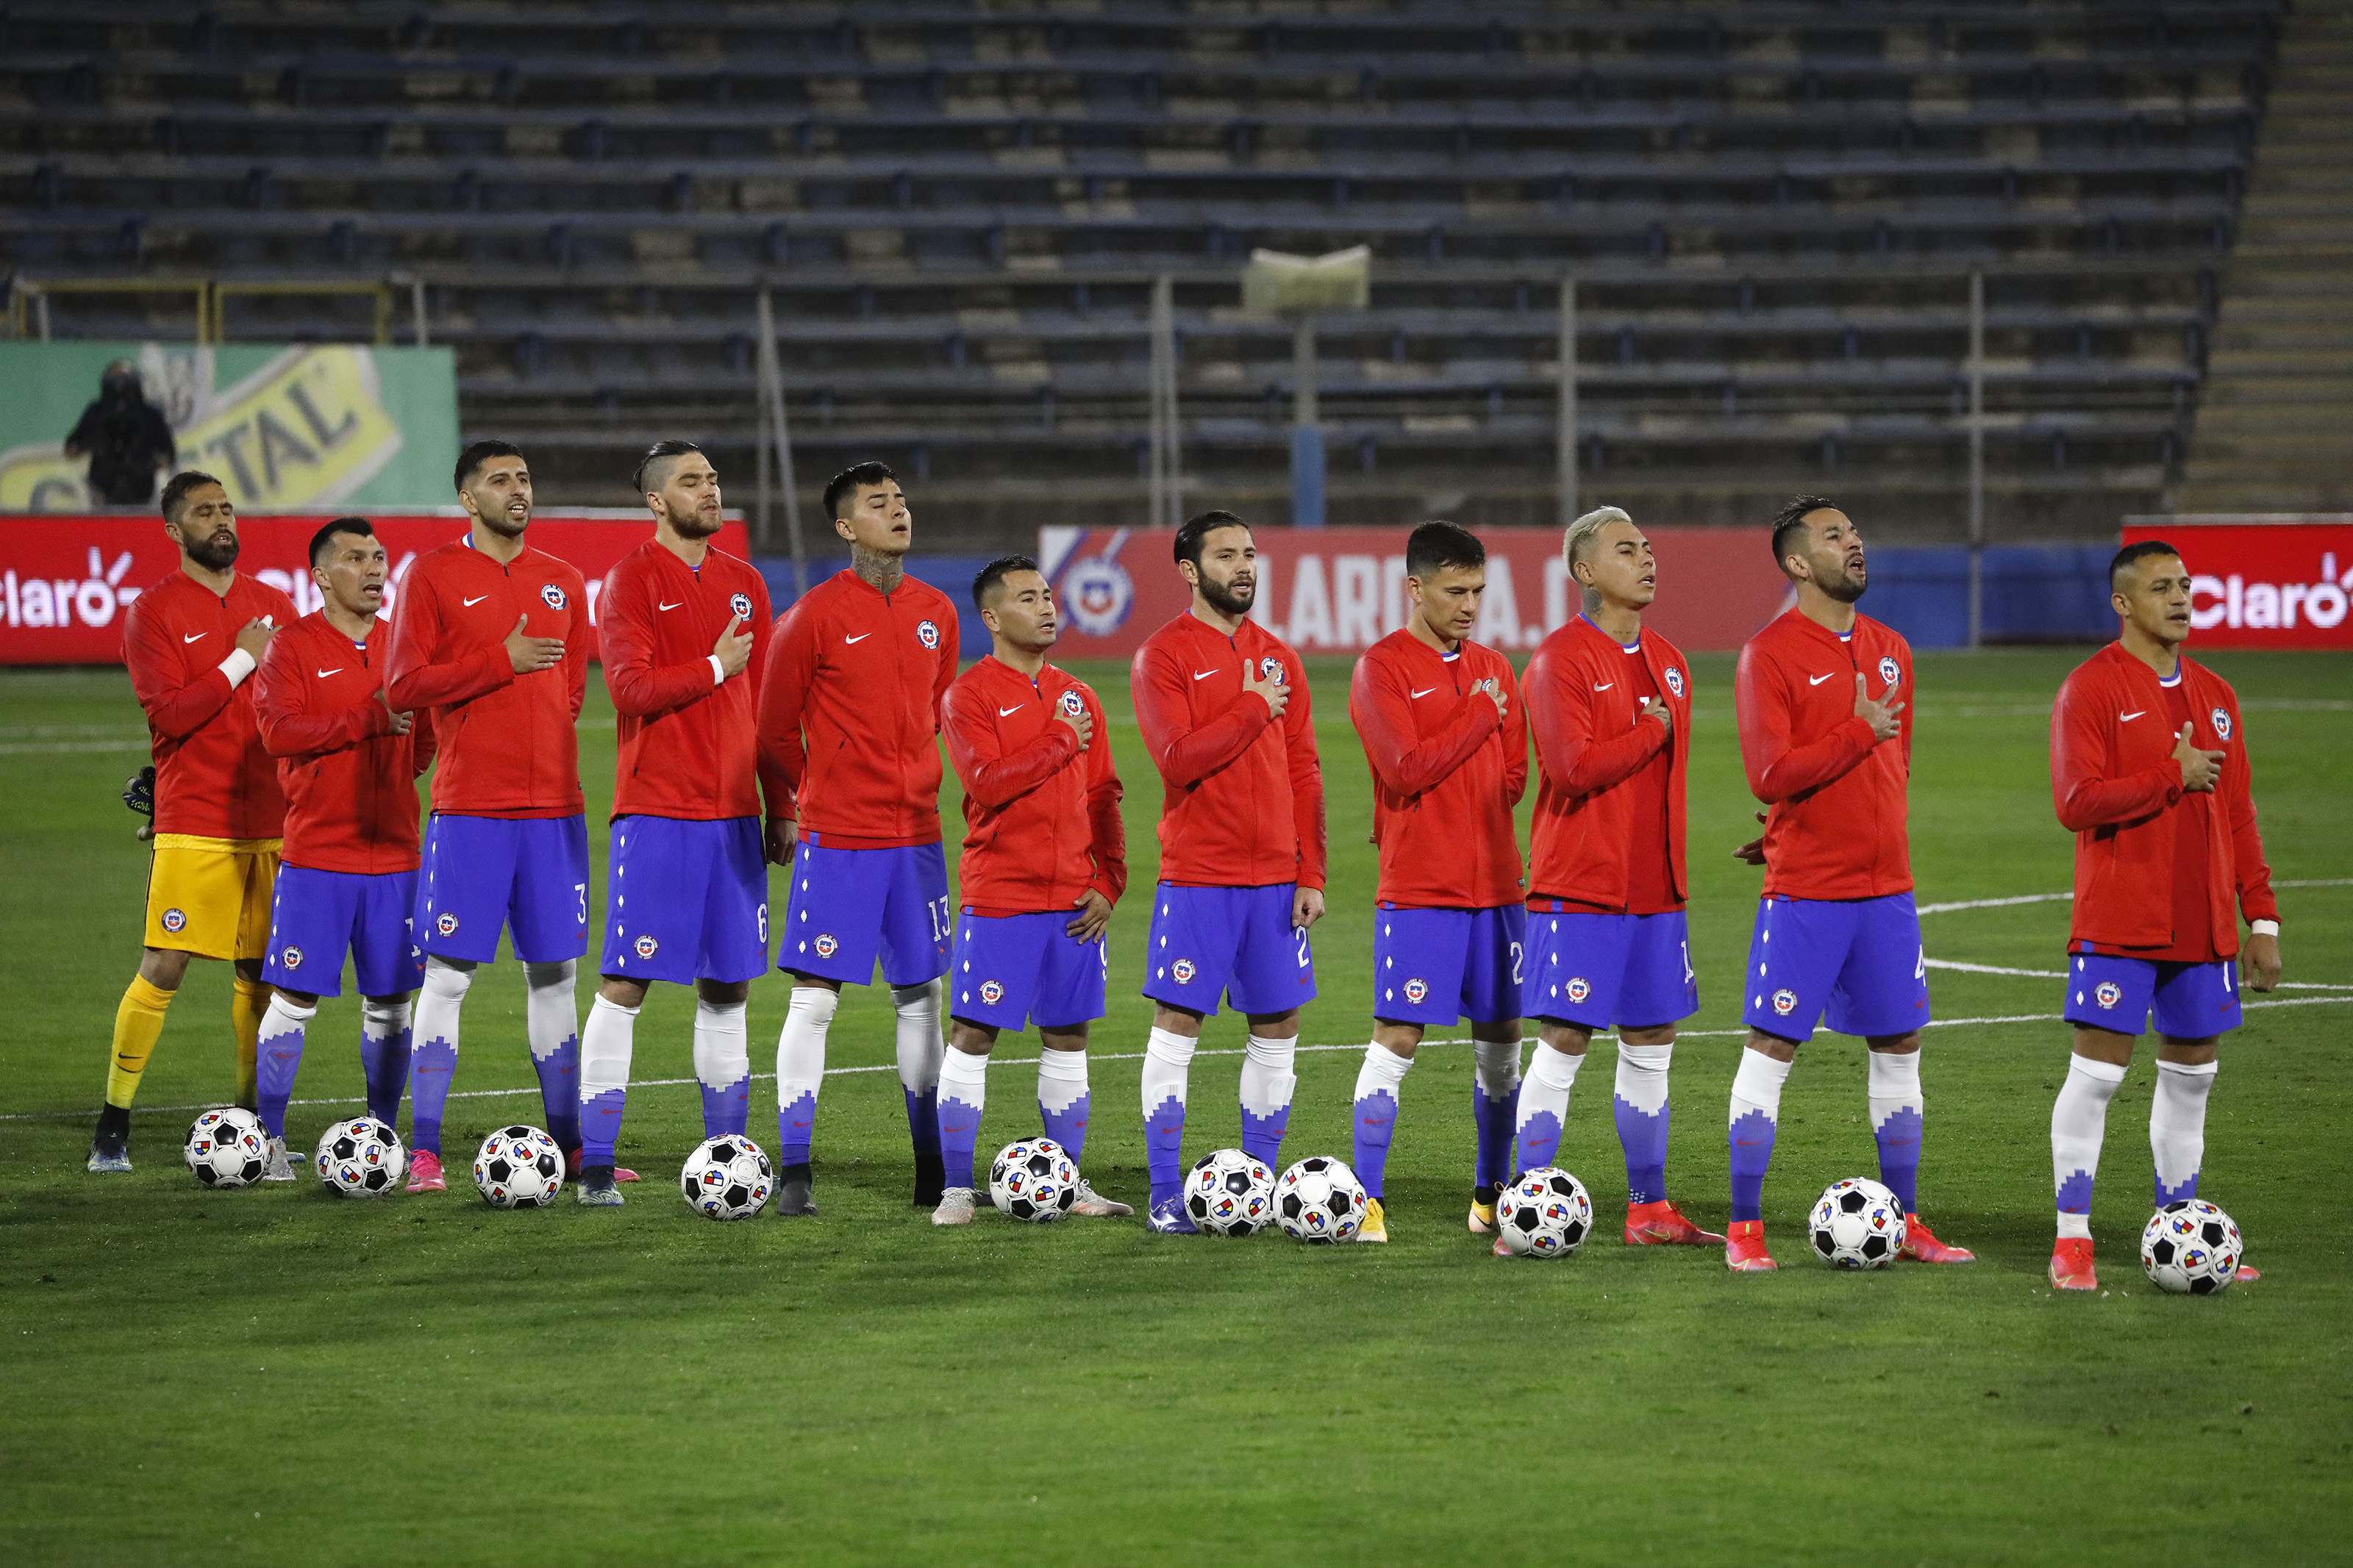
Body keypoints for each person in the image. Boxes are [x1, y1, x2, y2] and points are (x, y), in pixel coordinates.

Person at [1723, 496, 1974, 1272]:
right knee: (1772, 1046)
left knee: (1899, 1045)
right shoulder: (1767, 654)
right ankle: (1742, 1229)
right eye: (1834, 537)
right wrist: (1857, 731)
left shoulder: (1891, 647)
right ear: (1798, 562)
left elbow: (1895, 769)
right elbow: (1768, 773)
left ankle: (1903, 1221)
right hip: (1807, 894)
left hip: (1886, 891)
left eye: (1855, 532)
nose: (1854, 543)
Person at [2044, 540, 2281, 1291]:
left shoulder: (2215, 693)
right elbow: (2073, 802)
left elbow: (2238, 813)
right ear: (2121, 603)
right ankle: (2071, 1241)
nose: (2178, 598)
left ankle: (2179, 1233)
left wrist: (2261, 921)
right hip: (2120, 920)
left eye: (2183, 585)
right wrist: (2166, 778)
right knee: (2096, 1078)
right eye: (2159, 587)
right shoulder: (2089, 689)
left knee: (2190, 1082)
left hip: (2202, 925)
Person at [383, 440, 597, 1193]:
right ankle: (426, 1151)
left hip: (553, 814)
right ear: (468, 500)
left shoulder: (564, 580)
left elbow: (570, 689)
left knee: (555, 977)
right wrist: (499, 663)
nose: (518, 490)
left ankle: (570, 1146)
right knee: (445, 980)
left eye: (525, 478)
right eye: (500, 481)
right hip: (470, 809)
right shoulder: (433, 574)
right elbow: (404, 684)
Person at [1511, 506, 1720, 1253]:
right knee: (1565, 1035)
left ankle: (1648, 1208)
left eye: (1648, 547)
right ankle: (1521, 1210)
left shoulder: (1668, 659)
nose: (1646, 558)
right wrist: (1648, 731)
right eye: (1625, 550)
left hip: (1654, 890)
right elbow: (1568, 771)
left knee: (1651, 1038)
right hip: (1582, 885)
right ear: (1585, 573)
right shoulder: (1559, 659)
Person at [755, 461, 960, 1216]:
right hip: (840, 836)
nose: (898, 511)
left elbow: (941, 715)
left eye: (901, 499)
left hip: (916, 838)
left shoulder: (936, 609)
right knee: (814, 1002)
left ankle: (931, 1171)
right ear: (846, 527)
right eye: (879, 504)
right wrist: (820, 788)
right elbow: (773, 730)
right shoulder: (810, 615)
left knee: (922, 999)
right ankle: (796, 1173)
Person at [574, 442, 774, 1206]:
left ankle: (728, 1154)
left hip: (733, 817)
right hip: (657, 812)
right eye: (692, 482)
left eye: (714, 478)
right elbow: (628, 690)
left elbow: (760, 711)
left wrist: (779, 803)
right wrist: (715, 667)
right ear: (656, 501)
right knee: (627, 983)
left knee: (728, 987)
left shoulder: (745, 582)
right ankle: (595, 1165)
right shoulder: (630, 579)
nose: (710, 490)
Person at [86, 470, 296, 1171]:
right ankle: (113, 1121)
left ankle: (256, 1123)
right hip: (197, 817)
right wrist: (243, 656)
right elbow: (171, 713)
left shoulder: (273, 604)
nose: (221, 520)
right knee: (165, 964)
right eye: (204, 512)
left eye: (227, 508)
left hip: (272, 816)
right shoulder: (153, 612)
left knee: (260, 976)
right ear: (175, 531)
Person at [1129, 510, 1327, 1234]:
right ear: (1189, 570)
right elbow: (1177, 758)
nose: (1244, 566)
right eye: (1225, 555)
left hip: (1276, 880)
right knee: (1177, 1023)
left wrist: (1312, 871)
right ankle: (1160, 1192)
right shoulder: (1163, 657)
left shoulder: (1281, 656)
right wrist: (1249, 706)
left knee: (1278, 1026)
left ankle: (1261, 1184)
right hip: (1199, 877)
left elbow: (1303, 770)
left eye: (1249, 553)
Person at [929, 556, 1130, 1225]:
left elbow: (1104, 794)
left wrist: (1110, 880)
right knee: (973, 1032)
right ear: (992, 618)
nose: (1047, 607)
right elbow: (986, 781)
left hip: (1074, 901)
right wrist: (1055, 740)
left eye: (1048, 595)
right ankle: (957, 1187)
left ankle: (1067, 1184)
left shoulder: (1079, 695)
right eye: (1028, 598)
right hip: (1002, 896)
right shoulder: (969, 696)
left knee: (1068, 1037)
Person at [1345, 521, 1527, 1246]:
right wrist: (1479, 715)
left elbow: (1513, 778)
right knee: (1399, 1035)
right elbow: (1404, 769)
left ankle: (1489, 1195)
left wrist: (1479, 737)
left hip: (1496, 889)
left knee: (1502, 1039)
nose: (1469, 604)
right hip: (1421, 887)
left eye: (1478, 590)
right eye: (1455, 591)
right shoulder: (1380, 669)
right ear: (1415, 588)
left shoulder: (1494, 665)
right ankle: (1365, 1201)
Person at [249, 518, 435, 1176]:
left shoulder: (402, 645)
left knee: (391, 1002)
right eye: (357, 558)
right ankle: (269, 1142)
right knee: (294, 998)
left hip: (395, 859)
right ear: (323, 576)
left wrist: (396, 748)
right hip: (317, 857)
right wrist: (369, 719)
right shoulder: (291, 647)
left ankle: (381, 1135)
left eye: (380, 556)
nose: (375, 568)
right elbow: (278, 731)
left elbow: (426, 741)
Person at [64, 359, 177, 508]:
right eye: (115, 377)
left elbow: (167, 454)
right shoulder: (96, 412)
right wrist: (92, 445)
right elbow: (72, 448)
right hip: (102, 488)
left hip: (141, 488)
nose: (120, 383)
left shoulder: (149, 414)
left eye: (124, 377)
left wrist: (153, 461)